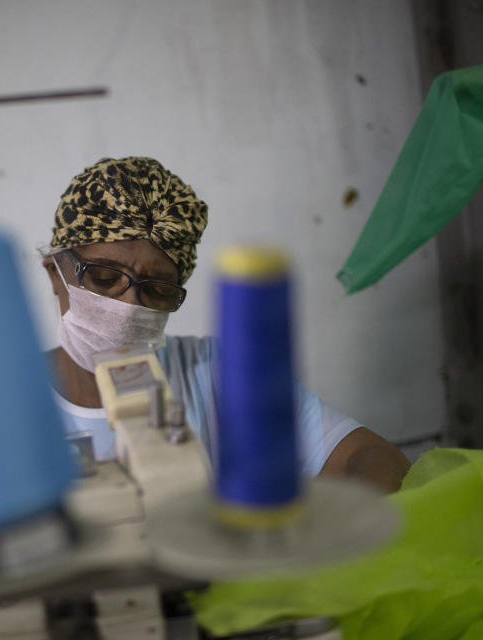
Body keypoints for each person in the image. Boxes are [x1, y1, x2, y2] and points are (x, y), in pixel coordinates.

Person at [42, 156, 410, 493]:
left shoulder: (215, 372)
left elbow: (369, 456)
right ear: (55, 273)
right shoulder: (5, 400)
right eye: (104, 277)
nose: (129, 305)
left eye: (157, 290)